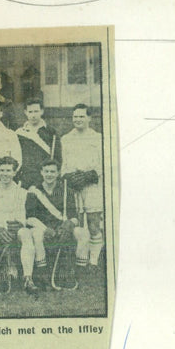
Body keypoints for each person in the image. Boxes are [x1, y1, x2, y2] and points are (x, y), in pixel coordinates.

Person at [0, 156, 40, 295]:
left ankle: (28, 278)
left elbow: (22, 216)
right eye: (2, 170)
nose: (4, 174)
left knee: (25, 233)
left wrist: (17, 225)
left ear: (14, 172)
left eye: (8, 170)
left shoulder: (22, 192)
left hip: (13, 233)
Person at [26, 159, 90, 288]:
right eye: (46, 171)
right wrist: (45, 229)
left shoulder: (66, 190)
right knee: (37, 235)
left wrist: (68, 225)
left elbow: (74, 217)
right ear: (41, 173)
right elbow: (29, 218)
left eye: (52, 172)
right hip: (41, 227)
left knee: (83, 233)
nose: (49, 174)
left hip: (62, 227)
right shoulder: (34, 191)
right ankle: (42, 274)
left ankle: (77, 273)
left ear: (58, 173)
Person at [60, 103, 104, 268]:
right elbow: (63, 165)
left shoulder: (97, 138)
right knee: (76, 223)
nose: (78, 120)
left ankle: (93, 260)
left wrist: (88, 175)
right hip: (74, 185)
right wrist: (70, 177)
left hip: (91, 185)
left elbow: (102, 164)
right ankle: (79, 258)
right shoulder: (66, 139)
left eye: (81, 116)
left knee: (93, 222)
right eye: (75, 117)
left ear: (89, 118)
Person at [15, 97, 62, 190]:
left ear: (42, 111)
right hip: (25, 179)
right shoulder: (19, 133)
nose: (33, 115)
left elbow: (57, 158)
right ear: (25, 112)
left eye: (36, 111)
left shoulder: (51, 132)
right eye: (30, 112)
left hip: (45, 180)